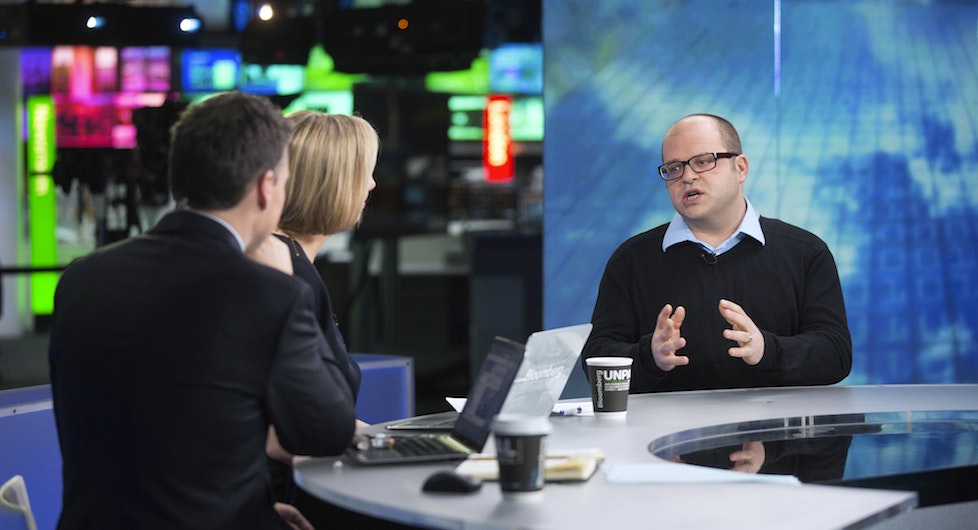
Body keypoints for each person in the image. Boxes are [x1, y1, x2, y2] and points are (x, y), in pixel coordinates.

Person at [48, 91, 357, 529]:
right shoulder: (271, 295)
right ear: (266, 187)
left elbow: (158, 428)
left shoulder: (81, 278)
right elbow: (329, 431)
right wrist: (291, 283)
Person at [581, 113, 852, 393]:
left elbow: (836, 355)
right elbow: (596, 360)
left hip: (772, 432)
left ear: (741, 168)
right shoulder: (632, 261)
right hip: (661, 434)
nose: (687, 176)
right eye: (674, 168)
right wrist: (650, 357)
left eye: (703, 161)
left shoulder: (804, 252)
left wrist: (767, 350)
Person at [249, 110, 378, 509]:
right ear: (331, 183)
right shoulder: (286, 275)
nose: (372, 184)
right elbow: (284, 433)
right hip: (282, 498)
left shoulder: (275, 261)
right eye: (365, 173)